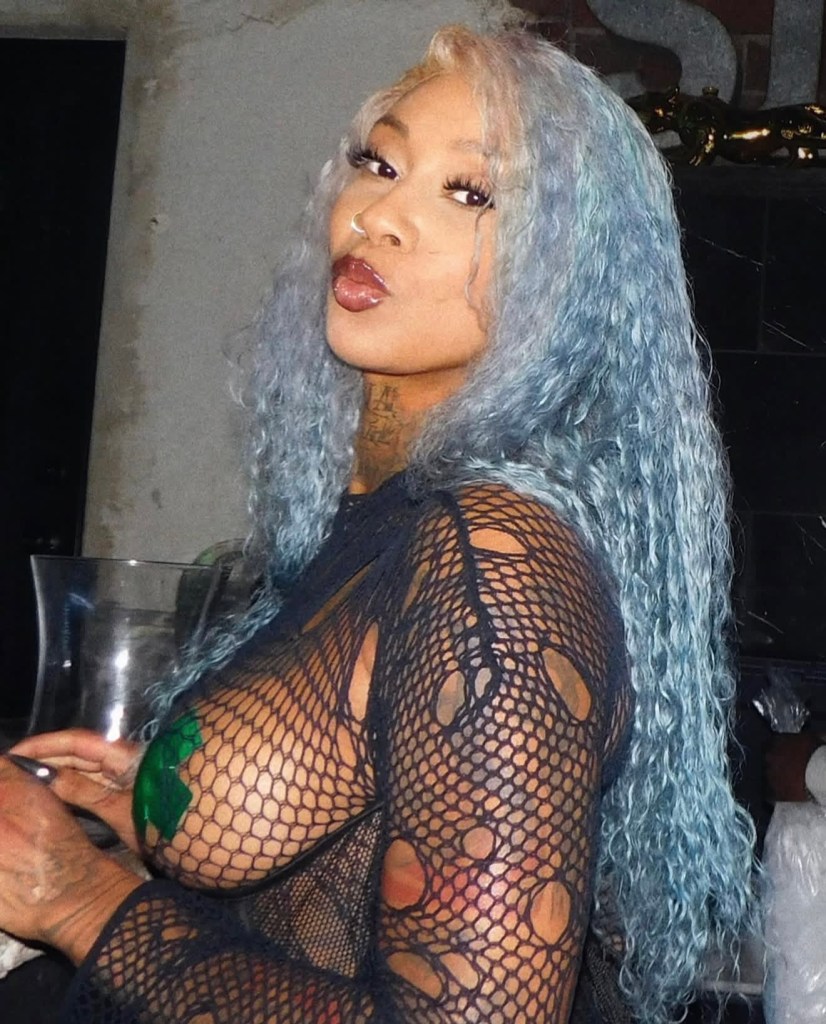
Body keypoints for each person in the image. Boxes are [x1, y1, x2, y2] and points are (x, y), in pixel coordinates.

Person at [0, 24, 756, 1024]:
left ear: (571, 278)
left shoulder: (495, 561)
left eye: (470, 194)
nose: (381, 216)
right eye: (380, 163)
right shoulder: (382, 517)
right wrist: (167, 805)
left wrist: (79, 899)